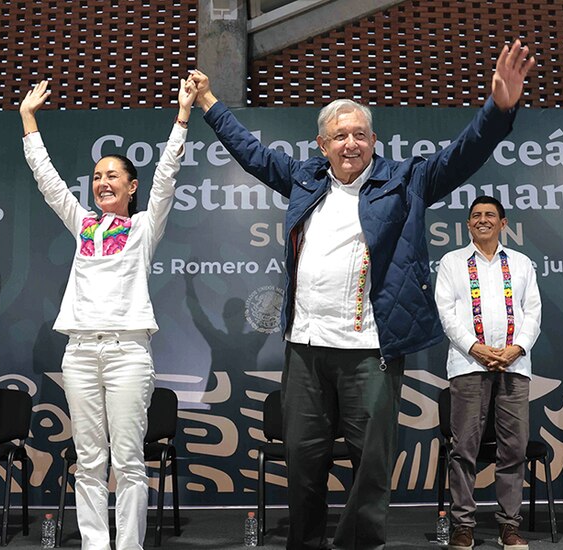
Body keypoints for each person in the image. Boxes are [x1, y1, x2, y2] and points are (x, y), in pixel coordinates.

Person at [190, 39, 535, 550]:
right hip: (306, 347)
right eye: (339, 136)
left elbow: (464, 155)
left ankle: (357, 544)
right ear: (321, 145)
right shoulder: (305, 180)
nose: (350, 143)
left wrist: (498, 110)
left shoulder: (407, 180)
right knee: (303, 461)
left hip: (370, 350)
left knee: (371, 465)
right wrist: (210, 106)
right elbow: (253, 154)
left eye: (359, 134)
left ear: (374, 140)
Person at [18, 76, 195, 550]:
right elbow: (47, 180)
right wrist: (28, 120)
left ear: (130, 185)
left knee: (130, 461)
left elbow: (166, 178)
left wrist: (181, 117)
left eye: (112, 175)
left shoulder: (142, 227)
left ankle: (130, 546)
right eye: (96, 176)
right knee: (90, 460)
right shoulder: (83, 224)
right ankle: (97, 545)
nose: (102, 182)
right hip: (78, 353)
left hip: (127, 353)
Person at [434, 197, 540, 550]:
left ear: (503, 223)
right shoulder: (452, 262)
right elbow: (446, 312)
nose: (483, 220)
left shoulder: (522, 263)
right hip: (468, 365)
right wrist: (475, 349)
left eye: (489, 215)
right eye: (476, 216)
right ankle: (463, 525)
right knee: (464, 448)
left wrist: (516, 349)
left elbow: (533, 312)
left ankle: (509, 525)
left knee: (513, 449)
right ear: (468, 225)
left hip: (515, 366)